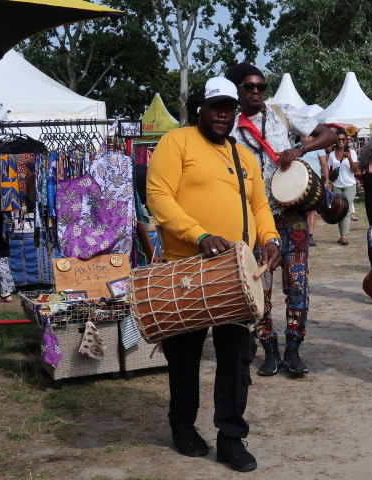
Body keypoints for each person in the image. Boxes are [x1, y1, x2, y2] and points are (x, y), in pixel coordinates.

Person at [146, 77, 281, 472]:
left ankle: (230, 437)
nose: (223, 114)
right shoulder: (178, 142)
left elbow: (259, 205)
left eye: (229, 107)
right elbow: (157, 196)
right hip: (187, 270)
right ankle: (183, 426)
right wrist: (198, 235)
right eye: (215, 106)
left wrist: (270, 238)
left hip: (238, 273)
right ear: (199, 109)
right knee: (185, 357)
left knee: (236, 357)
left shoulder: (243, 156)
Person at [227, 62, 336, 377]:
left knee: (298, 284)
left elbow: (328, 134)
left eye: (261, 85)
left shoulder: (283, 113)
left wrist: (300, 148)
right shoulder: (231, 129)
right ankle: (270, 350)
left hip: (293, 217)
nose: (257, 91)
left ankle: (294, 350)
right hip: (258, 222)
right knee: (260, 288)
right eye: (250, 87)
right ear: (237, 92)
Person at [328, 129, 358, 245]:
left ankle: (344, 236)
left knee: (347, 209)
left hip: (349, 185)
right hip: (336, 185)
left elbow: (354, 170)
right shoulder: (331, 154)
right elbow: (330, 170)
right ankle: (342, 235)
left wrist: (349, 158)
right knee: (339, 210)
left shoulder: (353, 152)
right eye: (338, 139)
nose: (341, 141)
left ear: (347, 141)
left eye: (343, 139)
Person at [296, 135, 328, 246]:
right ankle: (301, 234)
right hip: (298, 184)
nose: (308, 137)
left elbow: (324, 164)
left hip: (315, 183)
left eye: (310, 135)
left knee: (310, 210)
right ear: (300, 136)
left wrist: (327, 180)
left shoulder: (318, 147)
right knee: (299, 210)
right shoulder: (295, 147)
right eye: (305, 135)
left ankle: (309, 236)